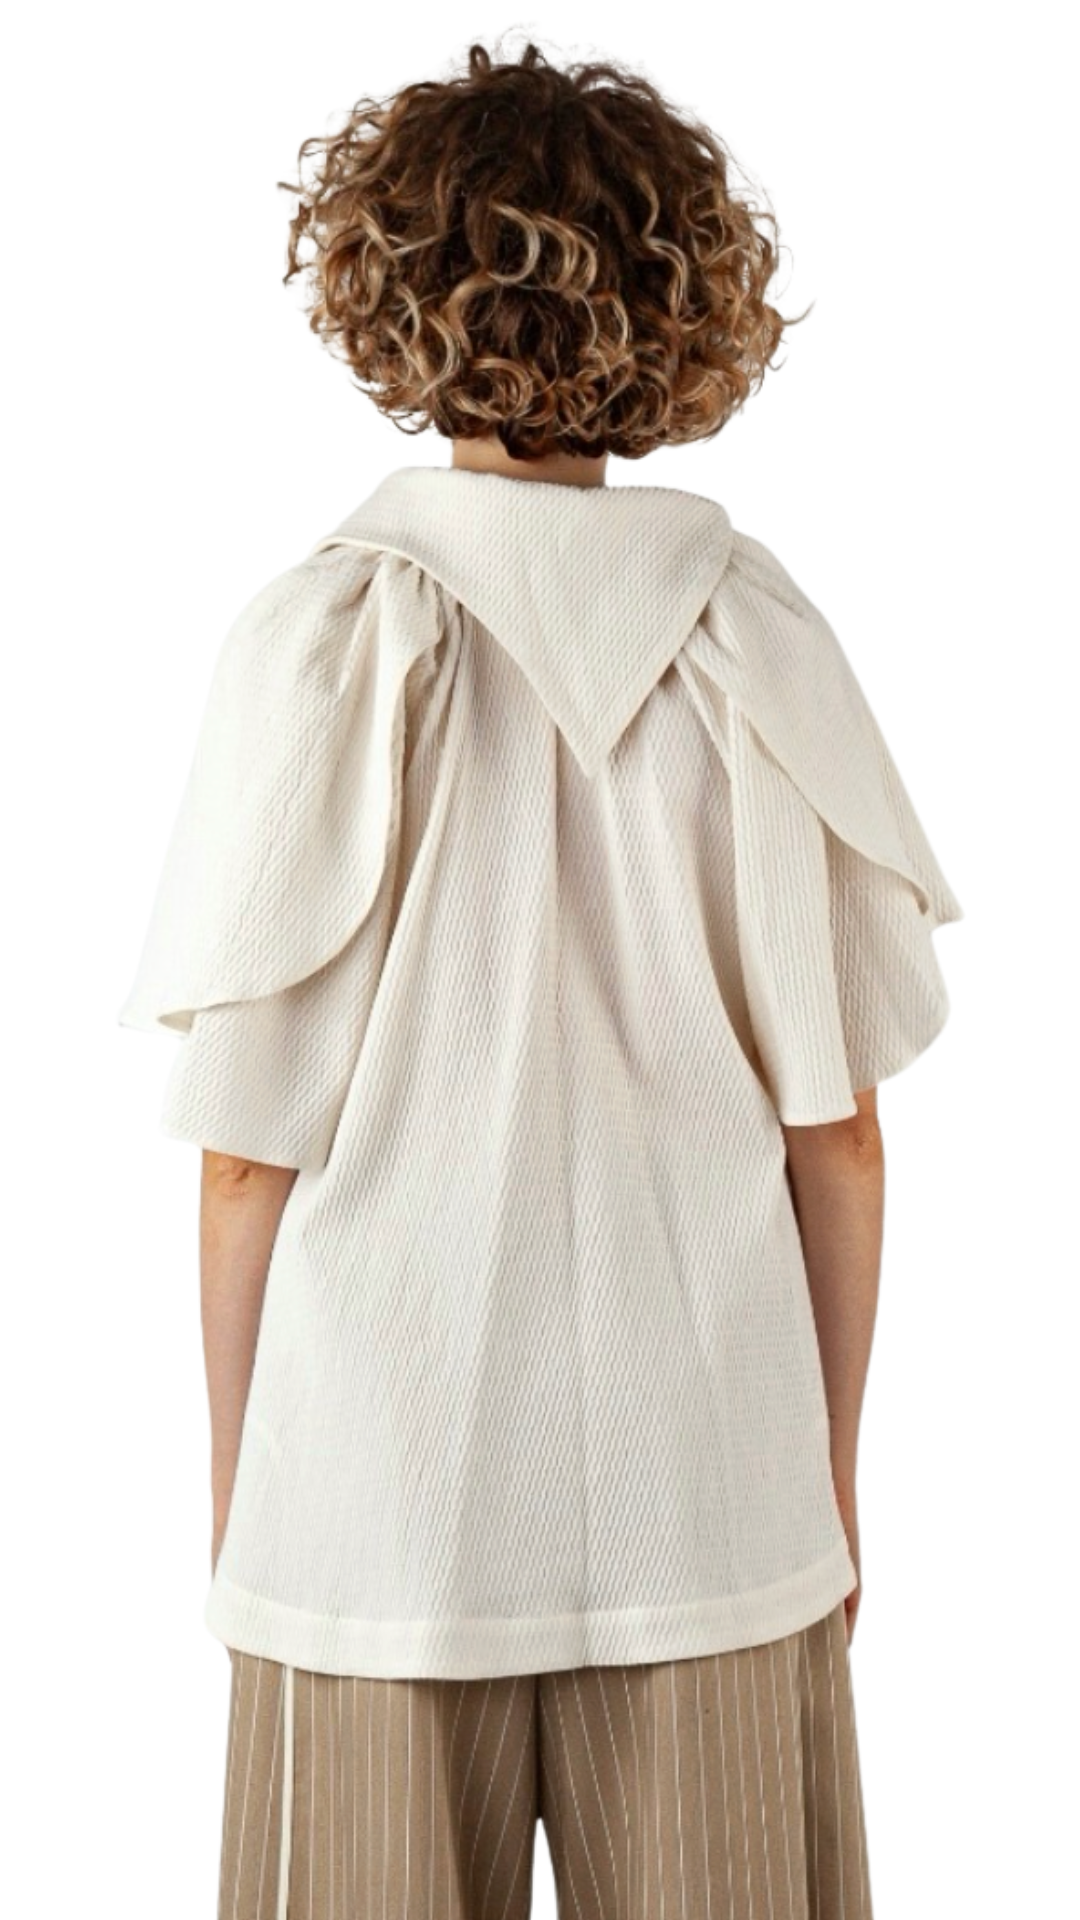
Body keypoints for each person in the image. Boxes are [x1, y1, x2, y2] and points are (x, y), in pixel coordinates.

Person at [118, 38, 963, 1920]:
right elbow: (838, 1136)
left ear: (388, 291)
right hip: (717, 1490)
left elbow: (246, 1158)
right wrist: (825, 1479)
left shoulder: (325, 638)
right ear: (685, 306)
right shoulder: (759, 639)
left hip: (378, 1511)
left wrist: (244, 1491)